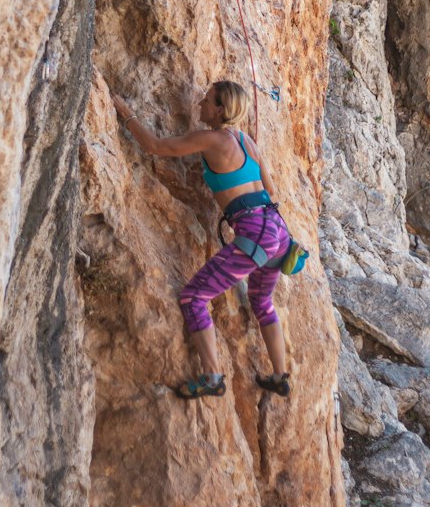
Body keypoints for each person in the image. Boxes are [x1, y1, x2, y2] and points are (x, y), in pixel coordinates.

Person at [109, 79, 292, 401]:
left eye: (206, 101)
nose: (199, 105)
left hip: (255, 235)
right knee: (262, 302)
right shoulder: (247, 141)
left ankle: (212, 376)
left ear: (220, 109)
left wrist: (125, 113)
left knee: (194, 297)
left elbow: (156, 147)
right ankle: (279, 375)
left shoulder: (213, 139)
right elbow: (271, 190)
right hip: (278, 232)